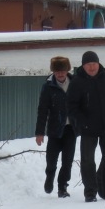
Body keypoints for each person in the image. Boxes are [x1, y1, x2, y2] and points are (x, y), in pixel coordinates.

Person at [67, 50, 105, 202]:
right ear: (83, 66)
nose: (92, 67)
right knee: (87, 160)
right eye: (88, 65)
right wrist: (81, 122)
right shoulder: (77, 81)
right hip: (89, 129)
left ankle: (102, 183)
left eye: (93, 64)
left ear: (98, 63)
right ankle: (90, 191)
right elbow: (71, 106)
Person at [35, 56, 75, 198]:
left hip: (71, 129)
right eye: (57, 71)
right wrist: (39, 132)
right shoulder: (48, 86)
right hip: (54, 129)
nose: (60, 74)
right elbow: (42, 110)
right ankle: (50, 176)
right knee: (51, 159)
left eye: (63, 71)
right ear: (53, 72)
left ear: (67, 70)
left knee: (67, 161)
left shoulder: (74, 84)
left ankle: (62, 187)